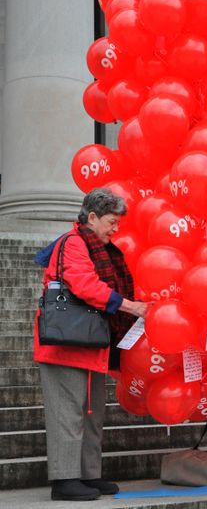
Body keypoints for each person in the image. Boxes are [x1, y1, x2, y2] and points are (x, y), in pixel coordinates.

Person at [33, 187, 150, 501]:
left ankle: (87, 475)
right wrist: (130, 306)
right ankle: (64, 479)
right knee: (67, 414)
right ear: (92, 217)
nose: (115, 229)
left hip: (88, 343)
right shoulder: (73, 243)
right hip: (65, 344)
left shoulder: (96, 246)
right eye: (111, 222)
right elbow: (85, 285)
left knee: (91, 413)